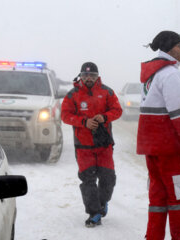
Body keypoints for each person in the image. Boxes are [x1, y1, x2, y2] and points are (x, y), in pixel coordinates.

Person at [137, 31, 180, 240]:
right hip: (171, 149)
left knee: (158, 198)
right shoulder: (172, 74)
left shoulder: (152, 74)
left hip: (153, 148)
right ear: (169, 47)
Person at [61, 62, 122, 227]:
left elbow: (117, 111)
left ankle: (103, 203)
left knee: (108, 178)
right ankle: (94, 213)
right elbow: (65, 115)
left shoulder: (107, 92)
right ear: (80, 76)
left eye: (92, 76)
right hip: (83, 146)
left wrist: (104, 117)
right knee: (88, 180)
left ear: (97, 76)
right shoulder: (72, 95)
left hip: (104, 145)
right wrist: (83, 122)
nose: (89, 78)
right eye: (86, 75)